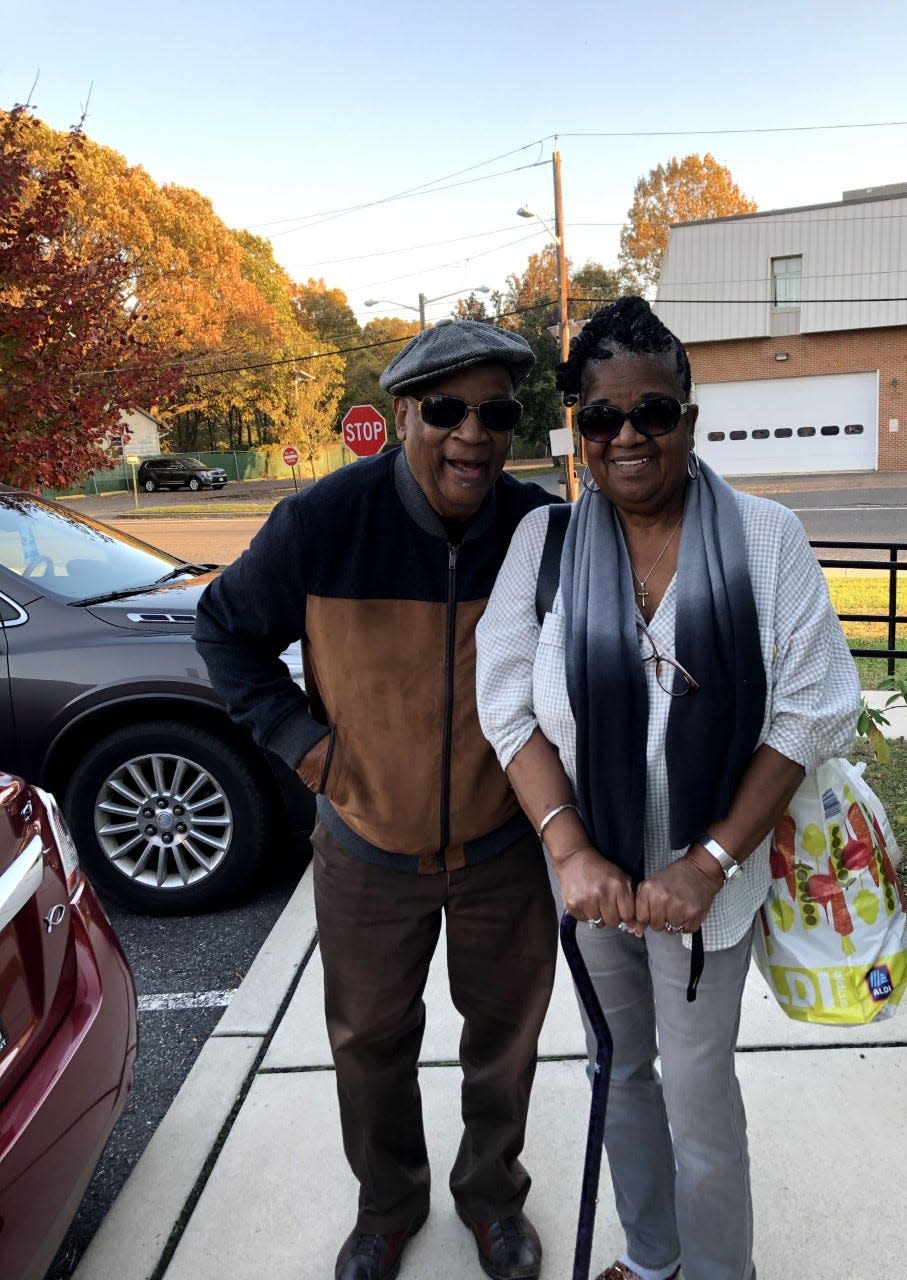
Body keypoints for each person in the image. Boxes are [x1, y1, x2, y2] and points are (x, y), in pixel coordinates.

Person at [475, 296, 861, 1280]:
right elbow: (507, 706)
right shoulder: (547, 546)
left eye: (652, 411)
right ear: (579, 431)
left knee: (696, 1093)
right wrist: (569, 847)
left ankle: (720, 1270)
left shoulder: (767, 538)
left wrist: (712, 859)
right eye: (601, 417)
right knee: (621, 1072)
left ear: (690, 417)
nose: (628, 435)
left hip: (710, 893)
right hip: (595, 878)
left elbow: (813, 709)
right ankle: (652, 1256)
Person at [195, 319, 560, 1280]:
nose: (471, 435)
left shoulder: (539, 528)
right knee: (368, 1045)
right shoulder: (322, 523)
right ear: (404, 413)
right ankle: (386, 1206)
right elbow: (225, 631)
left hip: (502, 847)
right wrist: (310, 754)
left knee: (505, 1042)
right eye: (446, 410)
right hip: (364, 848)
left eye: (492, 413)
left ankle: (491, 1201)